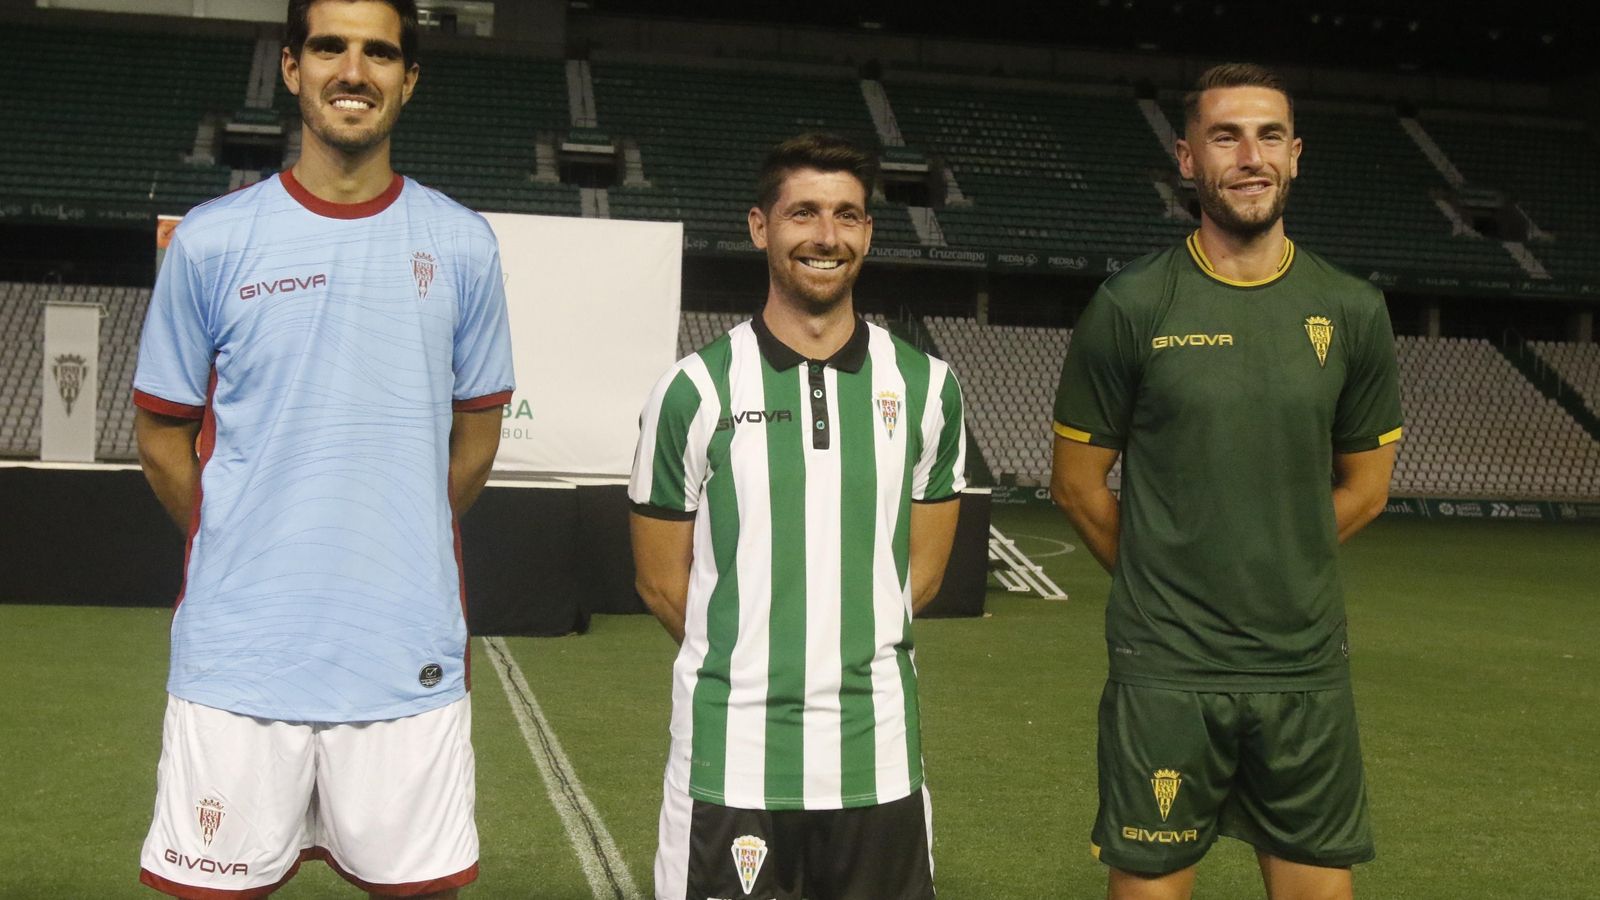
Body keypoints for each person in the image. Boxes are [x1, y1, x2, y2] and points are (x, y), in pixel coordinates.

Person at [131, 1, 513, 896]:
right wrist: (249, 535)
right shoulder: (212, 242)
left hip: (399, 659)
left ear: (408, 80)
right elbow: (161, 439)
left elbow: (478, 443)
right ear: (293, 67)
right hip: (239, 658)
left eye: (380, 52)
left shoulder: (462, 244)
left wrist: (387, 536)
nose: (355, 69)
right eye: (331, 47)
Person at [1050, 63, 1402, 900]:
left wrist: (1273, 571)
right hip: (1166, 669)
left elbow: (1368, 485)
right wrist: (1167, 585)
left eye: (1270, 135)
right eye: (1226, 135)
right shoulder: (1132, 305)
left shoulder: (1350, 310)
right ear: (1186, 158)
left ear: (1296, 156)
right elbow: (1077, 485)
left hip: (1303, 667)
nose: (1251, 155)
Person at [629, 133, 967, 900]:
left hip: (876, 755)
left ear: (868, 234)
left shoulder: (927, 388)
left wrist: (833, 648)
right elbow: (658, 582)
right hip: (731, 757)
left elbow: (926, 573)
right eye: (804, 214)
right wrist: (756, 657)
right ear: (761, 228)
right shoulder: (692, 391)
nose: (826, 236)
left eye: (847, 216)